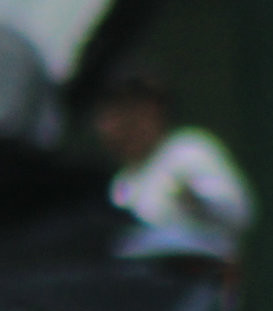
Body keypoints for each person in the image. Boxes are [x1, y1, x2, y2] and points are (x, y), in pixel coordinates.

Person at [92, 68, 254, 265]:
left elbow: (241, 214)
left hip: (200, 279)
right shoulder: (121, 183)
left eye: (134, 112)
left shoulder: (188, 150)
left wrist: (200, 202)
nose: (120, 127)